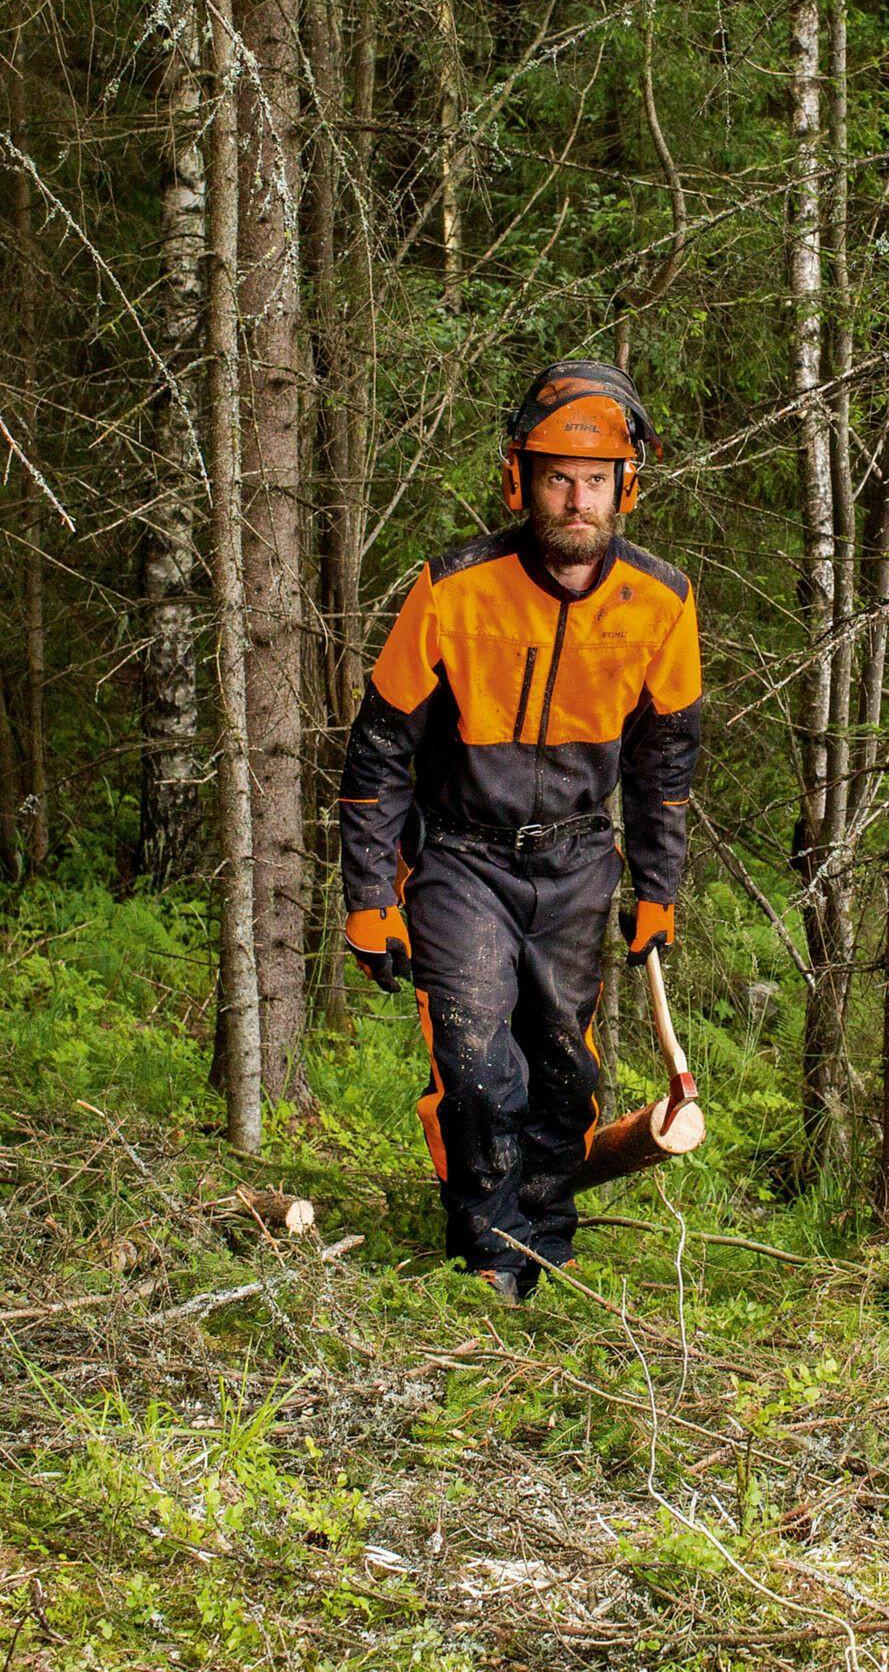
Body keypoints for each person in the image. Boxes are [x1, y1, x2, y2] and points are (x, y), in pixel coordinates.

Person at [338, 360, 702, 1302]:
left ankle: (546, 1238)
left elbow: (666, 769)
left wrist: (658, 892)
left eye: (594, 480)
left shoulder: (663, 603)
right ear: (520, 478)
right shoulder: (454, 588)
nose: (575, 499)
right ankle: (490, 1257)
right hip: (461, 855)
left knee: (559, 1065)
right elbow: (379, 750)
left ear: (627, 484)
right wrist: (372, 895)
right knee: (472, 1059)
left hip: (579, 860)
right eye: (555, 476)